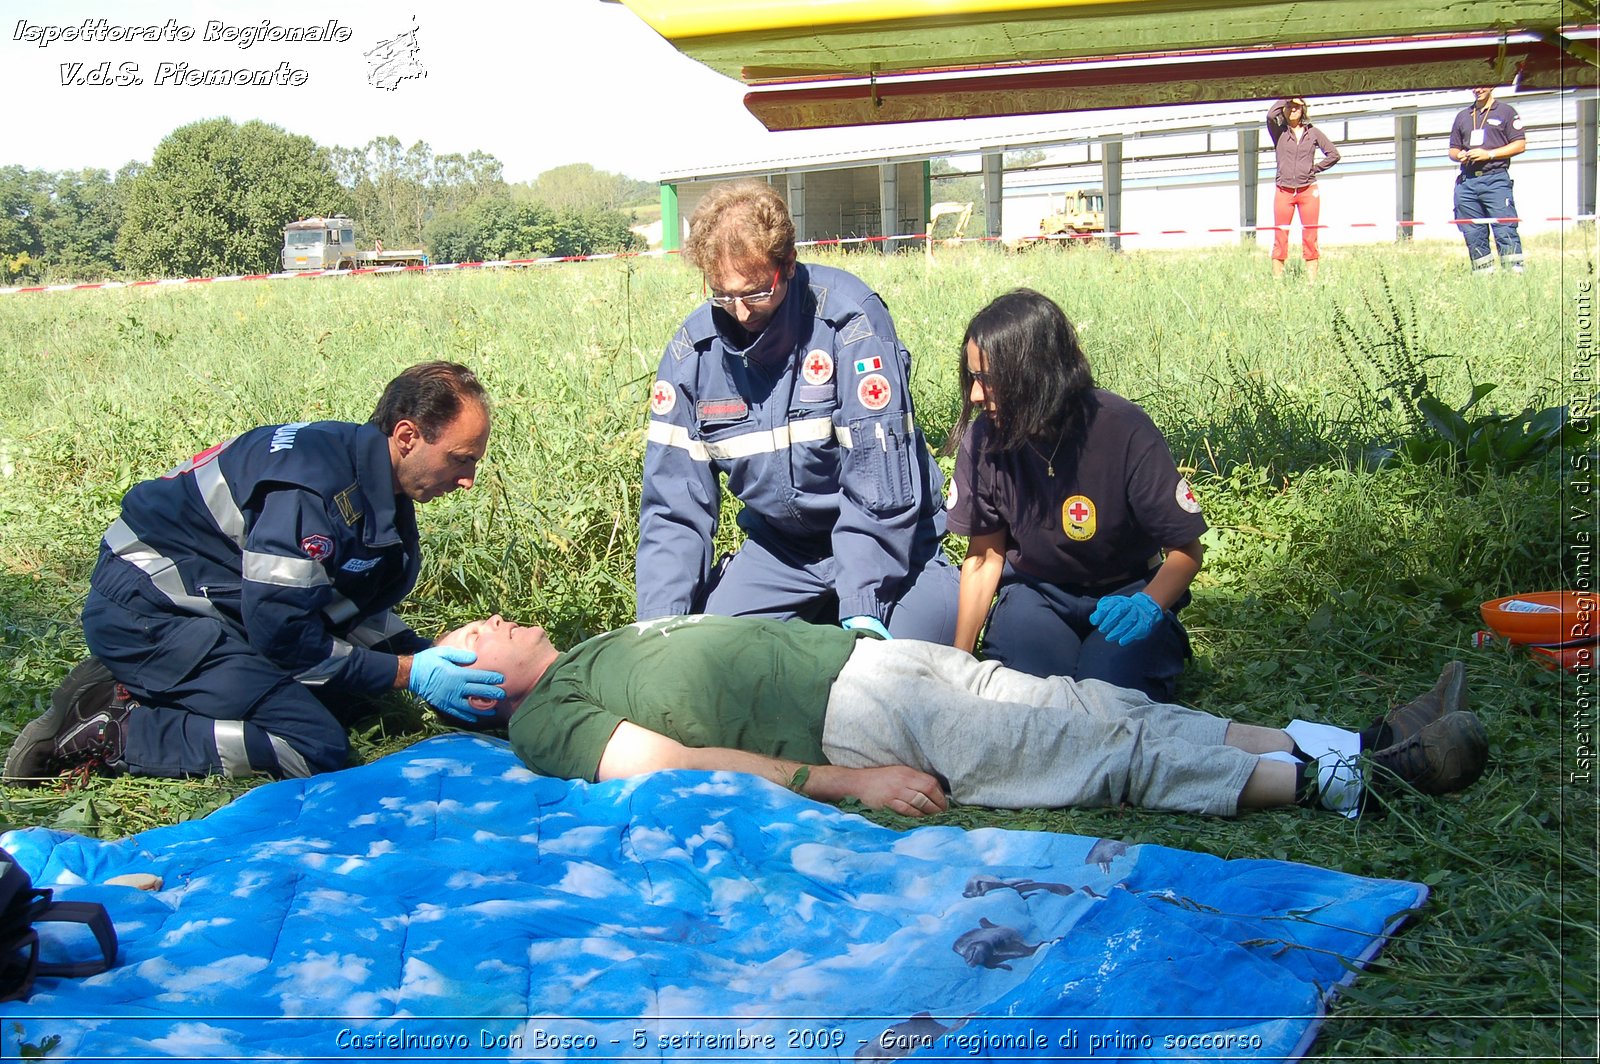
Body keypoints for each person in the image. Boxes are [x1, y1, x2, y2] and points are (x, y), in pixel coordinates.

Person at [445, 614, 1486, 820]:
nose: (487, 619)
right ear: (486, 688)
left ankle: (1353, 741)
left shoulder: (587, 648)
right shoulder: (552, 719)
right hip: (853, 717)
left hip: (876, 660)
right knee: (1100, 750)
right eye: (471, 634)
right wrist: (849, 783)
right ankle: (1357, 784)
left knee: (1100, 703)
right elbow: (670, 765)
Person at [3, 362, 507, 786]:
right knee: (312, 747)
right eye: (461, 460)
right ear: (406, 436)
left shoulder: (366, 475)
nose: (467, 480)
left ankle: (138, 682)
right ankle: (110, 729)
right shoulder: (314, 493)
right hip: (147, 614)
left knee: (353, 699)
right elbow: (287, 638)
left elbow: (345, 600)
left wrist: (423, 655)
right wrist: (408, 673)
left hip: (208, 603)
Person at [636, 180, 959, 642]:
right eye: (723, 295)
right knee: (706, 659)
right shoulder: (693, 356)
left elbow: (880, 484)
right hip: (781, 554)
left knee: (895, 677)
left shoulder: (849, 323)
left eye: (755, 293)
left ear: (787, 264)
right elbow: (673, 507)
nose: (742, 312)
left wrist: (863, 602)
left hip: (899, 546)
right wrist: (658, 626)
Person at [944, 289, 1203, 702]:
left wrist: (1149, 605)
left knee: (1109, 702)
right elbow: (984, 557)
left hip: (1125, 593)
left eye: (989, 380)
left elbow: (1187, 551)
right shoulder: (984, 441)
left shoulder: (1124, 430)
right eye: (973, 378)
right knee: (1024, 699)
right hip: (1038, 595)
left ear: (1036, 373)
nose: (976, 395)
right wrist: (958, 663)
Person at [1449, 86, 1527, 274]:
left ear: (1491, 86)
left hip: (1495, 179)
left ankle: (1514, 275)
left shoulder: (1506, 112)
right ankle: (1483, 276)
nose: (1478, 89)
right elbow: (1452, 149)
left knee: (1505, 228)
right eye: (1474, 86)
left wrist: (1489, 155)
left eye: (1483, 85)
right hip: (1467, 183)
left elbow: (1520, 144)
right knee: (1472, 232)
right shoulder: (1463, 115)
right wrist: (1459, 155)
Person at [1264, 96, 1340, 281]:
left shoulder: (1313, 133)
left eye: (1297, 106)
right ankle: (1277, 282)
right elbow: (1270, 115)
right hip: (1284, 190)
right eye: (1289, 106)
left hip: (1308, 191)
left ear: (1304, 109)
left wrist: (1314, 169)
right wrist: (1286, 97)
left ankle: (1311, 283)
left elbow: (1334, 154)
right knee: (1280, 235)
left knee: (1310, 235)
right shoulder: (1279, 132)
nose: (1293, 109)